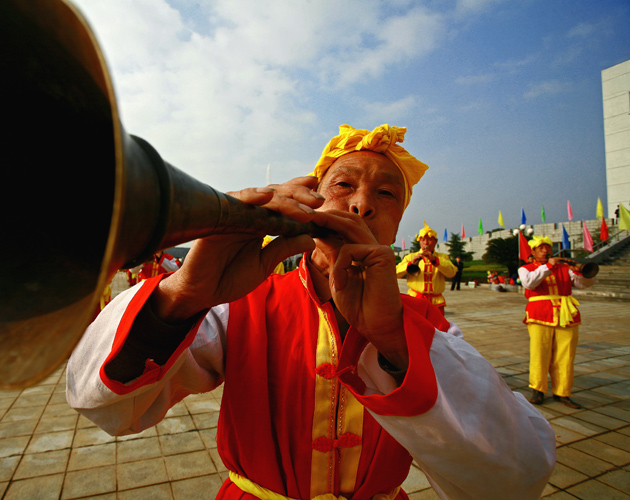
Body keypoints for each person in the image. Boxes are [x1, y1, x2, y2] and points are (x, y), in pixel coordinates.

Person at [67, 125, 555, 500]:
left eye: (386, 194)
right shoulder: (239, 305)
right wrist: (185, 294)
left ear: (398, 222)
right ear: (311, 199)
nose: (362, 204)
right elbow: (107, 409)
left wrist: (392, 340)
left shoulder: (431, 328)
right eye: (344, 185)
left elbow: (518, 476)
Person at [518, 236, 596, 409]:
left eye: (548, 247)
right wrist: (549, 266)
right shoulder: (525, 269)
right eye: (541, 248)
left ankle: (563, 392)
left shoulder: (564, 268)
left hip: (566, 312)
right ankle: (538, 389)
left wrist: (580, 272)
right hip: (540, 312)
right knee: (540, 352)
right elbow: (530, 283)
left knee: (566, 354)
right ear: (533, 252)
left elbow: (584, 285)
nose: (545, 250)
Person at [395, 223, 457, 314]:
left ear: (435, 241)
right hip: (415, 299)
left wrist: (435, 260)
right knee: (416, 327)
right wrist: (410, 264)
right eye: (423, 240)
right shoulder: (410, 256)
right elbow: (396, 273)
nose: (426, 243)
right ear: (419, 241)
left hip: (436, 302)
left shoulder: (442, 257)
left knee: (437, 327)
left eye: (429, 240)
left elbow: (452, 273)